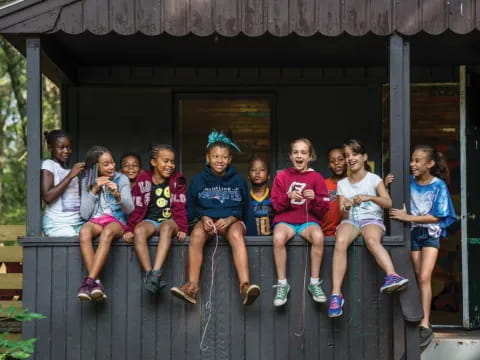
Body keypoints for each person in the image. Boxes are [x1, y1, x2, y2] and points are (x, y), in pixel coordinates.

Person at [170, 131, 261, 305]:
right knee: (196, 235)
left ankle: (244, 286)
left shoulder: (238, 180)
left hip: (232, 222)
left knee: (235, 234)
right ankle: (192, 287)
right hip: (207, 222)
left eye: (224, 157)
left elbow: (245, 207)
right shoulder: (198, 180)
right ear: (208, 158)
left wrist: (231, 219)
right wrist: (202, 217)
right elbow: (191, 207)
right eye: (215, 156)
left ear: (230, 159)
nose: (220, 160)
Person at [328, 139, 408, 318]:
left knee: (371, 239)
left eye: (354, 154)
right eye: (347, 156)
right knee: (340, 240)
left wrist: (368, 197)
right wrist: (346, 206)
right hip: (351, 221)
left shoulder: (374, 179)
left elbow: (388, 203)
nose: (350, 158)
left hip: (372, 218)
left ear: (364, 157)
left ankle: (393, 275)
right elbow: (342, 214)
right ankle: (336, 295)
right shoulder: (342, 184)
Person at [390, 144, 456, 348]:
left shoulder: (438, 185)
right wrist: (386, 183)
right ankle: (418, 316)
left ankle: (425, 323)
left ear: (430, 164)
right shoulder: (408, 181)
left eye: (417, 161)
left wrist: (408, 216)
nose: (412, 164)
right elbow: (390, 195)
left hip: (430, 233)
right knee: (418, 277)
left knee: (425, 276)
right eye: (412, 160)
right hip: (414, 233)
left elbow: (438, 215)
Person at [271, 138, 329, 306]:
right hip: (286, 221)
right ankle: (282, 284)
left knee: (318, 237)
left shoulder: (317, 178)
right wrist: (287, 197)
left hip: (307, 221)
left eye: (303, 153)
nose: (299, 155)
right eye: (295, 152)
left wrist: (315, 198)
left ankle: (314, 282)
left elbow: (324, 208)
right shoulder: (282, 176)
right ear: (290, 156)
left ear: (310, 156)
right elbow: (275, 205)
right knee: (278, 237)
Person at [123, 145, 188, 294]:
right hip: (151, 220)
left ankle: (157, 271)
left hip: (170, 221)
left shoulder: (178, 180)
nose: (170, 165)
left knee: (165, 228)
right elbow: (137, 207)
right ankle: (149, 274)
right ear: (153, 162)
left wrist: (183, 228)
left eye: (172, 162)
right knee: (139, 230)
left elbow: (180, 206)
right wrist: (129, 229)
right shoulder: (143, 179)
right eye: (165, 161)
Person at [77, 146, 134, 301]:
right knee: (84, 232)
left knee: (108, 231)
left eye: (112, 162)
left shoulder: (121, 179)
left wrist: (117, 194)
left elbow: (129, 209)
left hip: (116, 221)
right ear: (96, 167)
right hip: (96, 220)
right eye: (106, 164)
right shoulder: (86, 182)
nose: (111, 166)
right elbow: (84, 214)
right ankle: (96, 284)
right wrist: (94, 189)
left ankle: (88, 282)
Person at [41, 129, 84, 236]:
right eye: (62, 147)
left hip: (77, 223)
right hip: (57, 224)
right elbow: (47, 197)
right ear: (50, 148)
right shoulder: (49, 164)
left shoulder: (71, 171)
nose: (66, 151)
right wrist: (70, 176)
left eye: (69, 147)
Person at [322, 146, 348, 237]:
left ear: (347, 160)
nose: (336, 163)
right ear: (329, 164)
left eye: (340, 159)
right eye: (332, 161)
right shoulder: (323, 184)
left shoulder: (353, 183)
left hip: (348, 235)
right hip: (325, 236)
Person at [246, 155, 274, 236]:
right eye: (253, 170)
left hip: (272, 243)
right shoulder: (245, 198)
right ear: (248, 176)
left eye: (262, 170)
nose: (257, 173)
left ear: (268, 176)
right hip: (250, 243)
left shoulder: (274, 196)